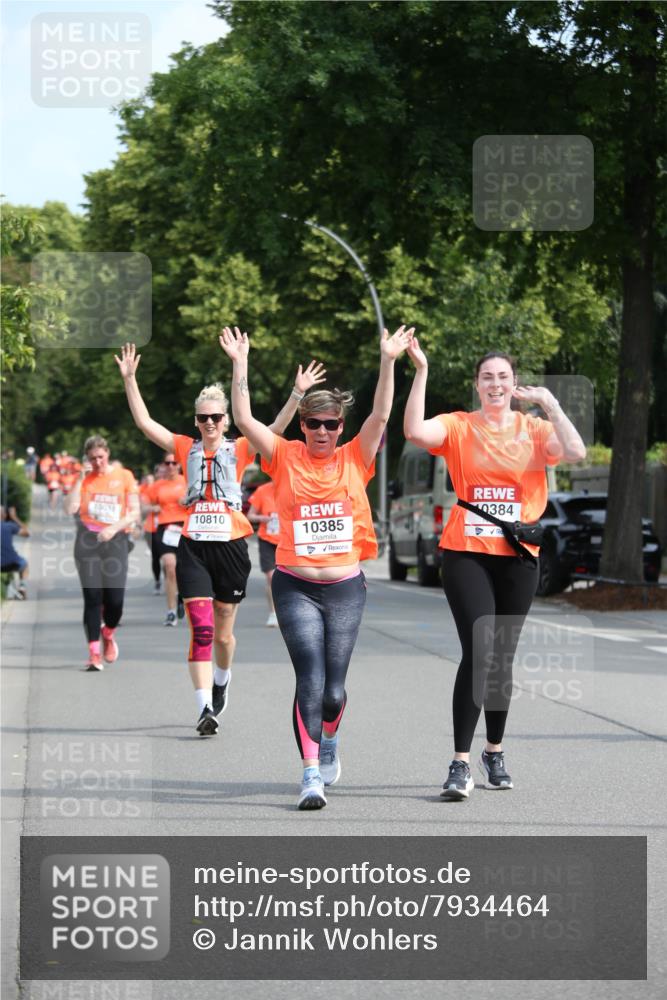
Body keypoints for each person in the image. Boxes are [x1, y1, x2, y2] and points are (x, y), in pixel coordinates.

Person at [220, 323, 413, 810]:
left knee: (334, 689)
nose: (323, 432)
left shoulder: (356, 458)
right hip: (295, 586)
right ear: (302, 426)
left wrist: (388, 360)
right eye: (314, 424)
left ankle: (329, 740)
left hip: (345, 587)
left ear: (340, 428)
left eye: (331, 424)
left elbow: (382, 412)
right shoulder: (282, 457)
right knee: (308, 677)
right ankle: (310, 774)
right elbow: (243, 419)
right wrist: (240, 363)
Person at [403, 341, 586, 799]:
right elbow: (412, 432)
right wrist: (421, 370)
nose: (496, 384)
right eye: (488, 377)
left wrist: (550, 403)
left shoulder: (535, 428)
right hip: (466, 550)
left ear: (514, 383)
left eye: (503, 377)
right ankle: (460, 762)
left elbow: (577, 452)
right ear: (477, 385)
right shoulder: (459, 426)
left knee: (500, 656)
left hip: (519, 554)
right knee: (481, 648)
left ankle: (494, 751)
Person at [116, 342, 326, 736]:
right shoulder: (185, 448)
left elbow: (276, 428)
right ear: (196, 421)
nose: (209, 423)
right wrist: (130, 380)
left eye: (215, 417)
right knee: (202, 628)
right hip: (193, 545)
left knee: (225, 632)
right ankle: (204, 708)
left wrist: (292, 390)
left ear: (226, 420)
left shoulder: (241, 448)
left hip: (231, 545)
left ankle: (222, 678)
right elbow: (146, 424)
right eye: (203, 418)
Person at [65, 436, 140, 671]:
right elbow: (70, 508)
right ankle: (94, 654)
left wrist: (113, 529)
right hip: (87, 541)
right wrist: (79, 479)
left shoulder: (124, 476)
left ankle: (108, 633)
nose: (97, 462)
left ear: (107, 453)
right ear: (86, 459)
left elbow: (135, 512)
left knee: (115, 601)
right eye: (92, 458)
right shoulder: (85, 479)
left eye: (101, 457)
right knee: (93, 598)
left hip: (115, 539)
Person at [144, 453, 187, 626]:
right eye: (167, 463)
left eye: (174, 463)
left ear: (179, 465)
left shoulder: (188, 481)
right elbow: (144, 504)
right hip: (165, 528)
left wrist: (188, 501)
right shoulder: (157, 486)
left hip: (185, 528)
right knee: (170, 566)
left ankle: (181, 598)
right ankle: (170, 612)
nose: (170, 466)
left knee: (184, 570)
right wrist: (152, 507)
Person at [247, 479, 280, 626]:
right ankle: (273, 613)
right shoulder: (263, 490)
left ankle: (287, 611)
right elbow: (250, 515)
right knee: (271, 577)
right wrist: (263, 518)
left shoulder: (294, 486)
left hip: (287, 540)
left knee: (291, 579)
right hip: (267, 539)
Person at [139, 471, 162, 593]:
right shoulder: (148, 490)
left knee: (171, 559)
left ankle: (173, 581)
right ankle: (158, 581)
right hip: (151, 528)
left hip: (170, 528)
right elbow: (143, 507)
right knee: (156, 557)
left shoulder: (175, 486)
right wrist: (153, 508)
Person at [1, 505, 30, 598]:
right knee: (24, 564)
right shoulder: (9, 526)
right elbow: (27, 533)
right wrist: (14, 517)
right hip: (12, 562)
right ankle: (22, 587)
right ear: (4, 515)